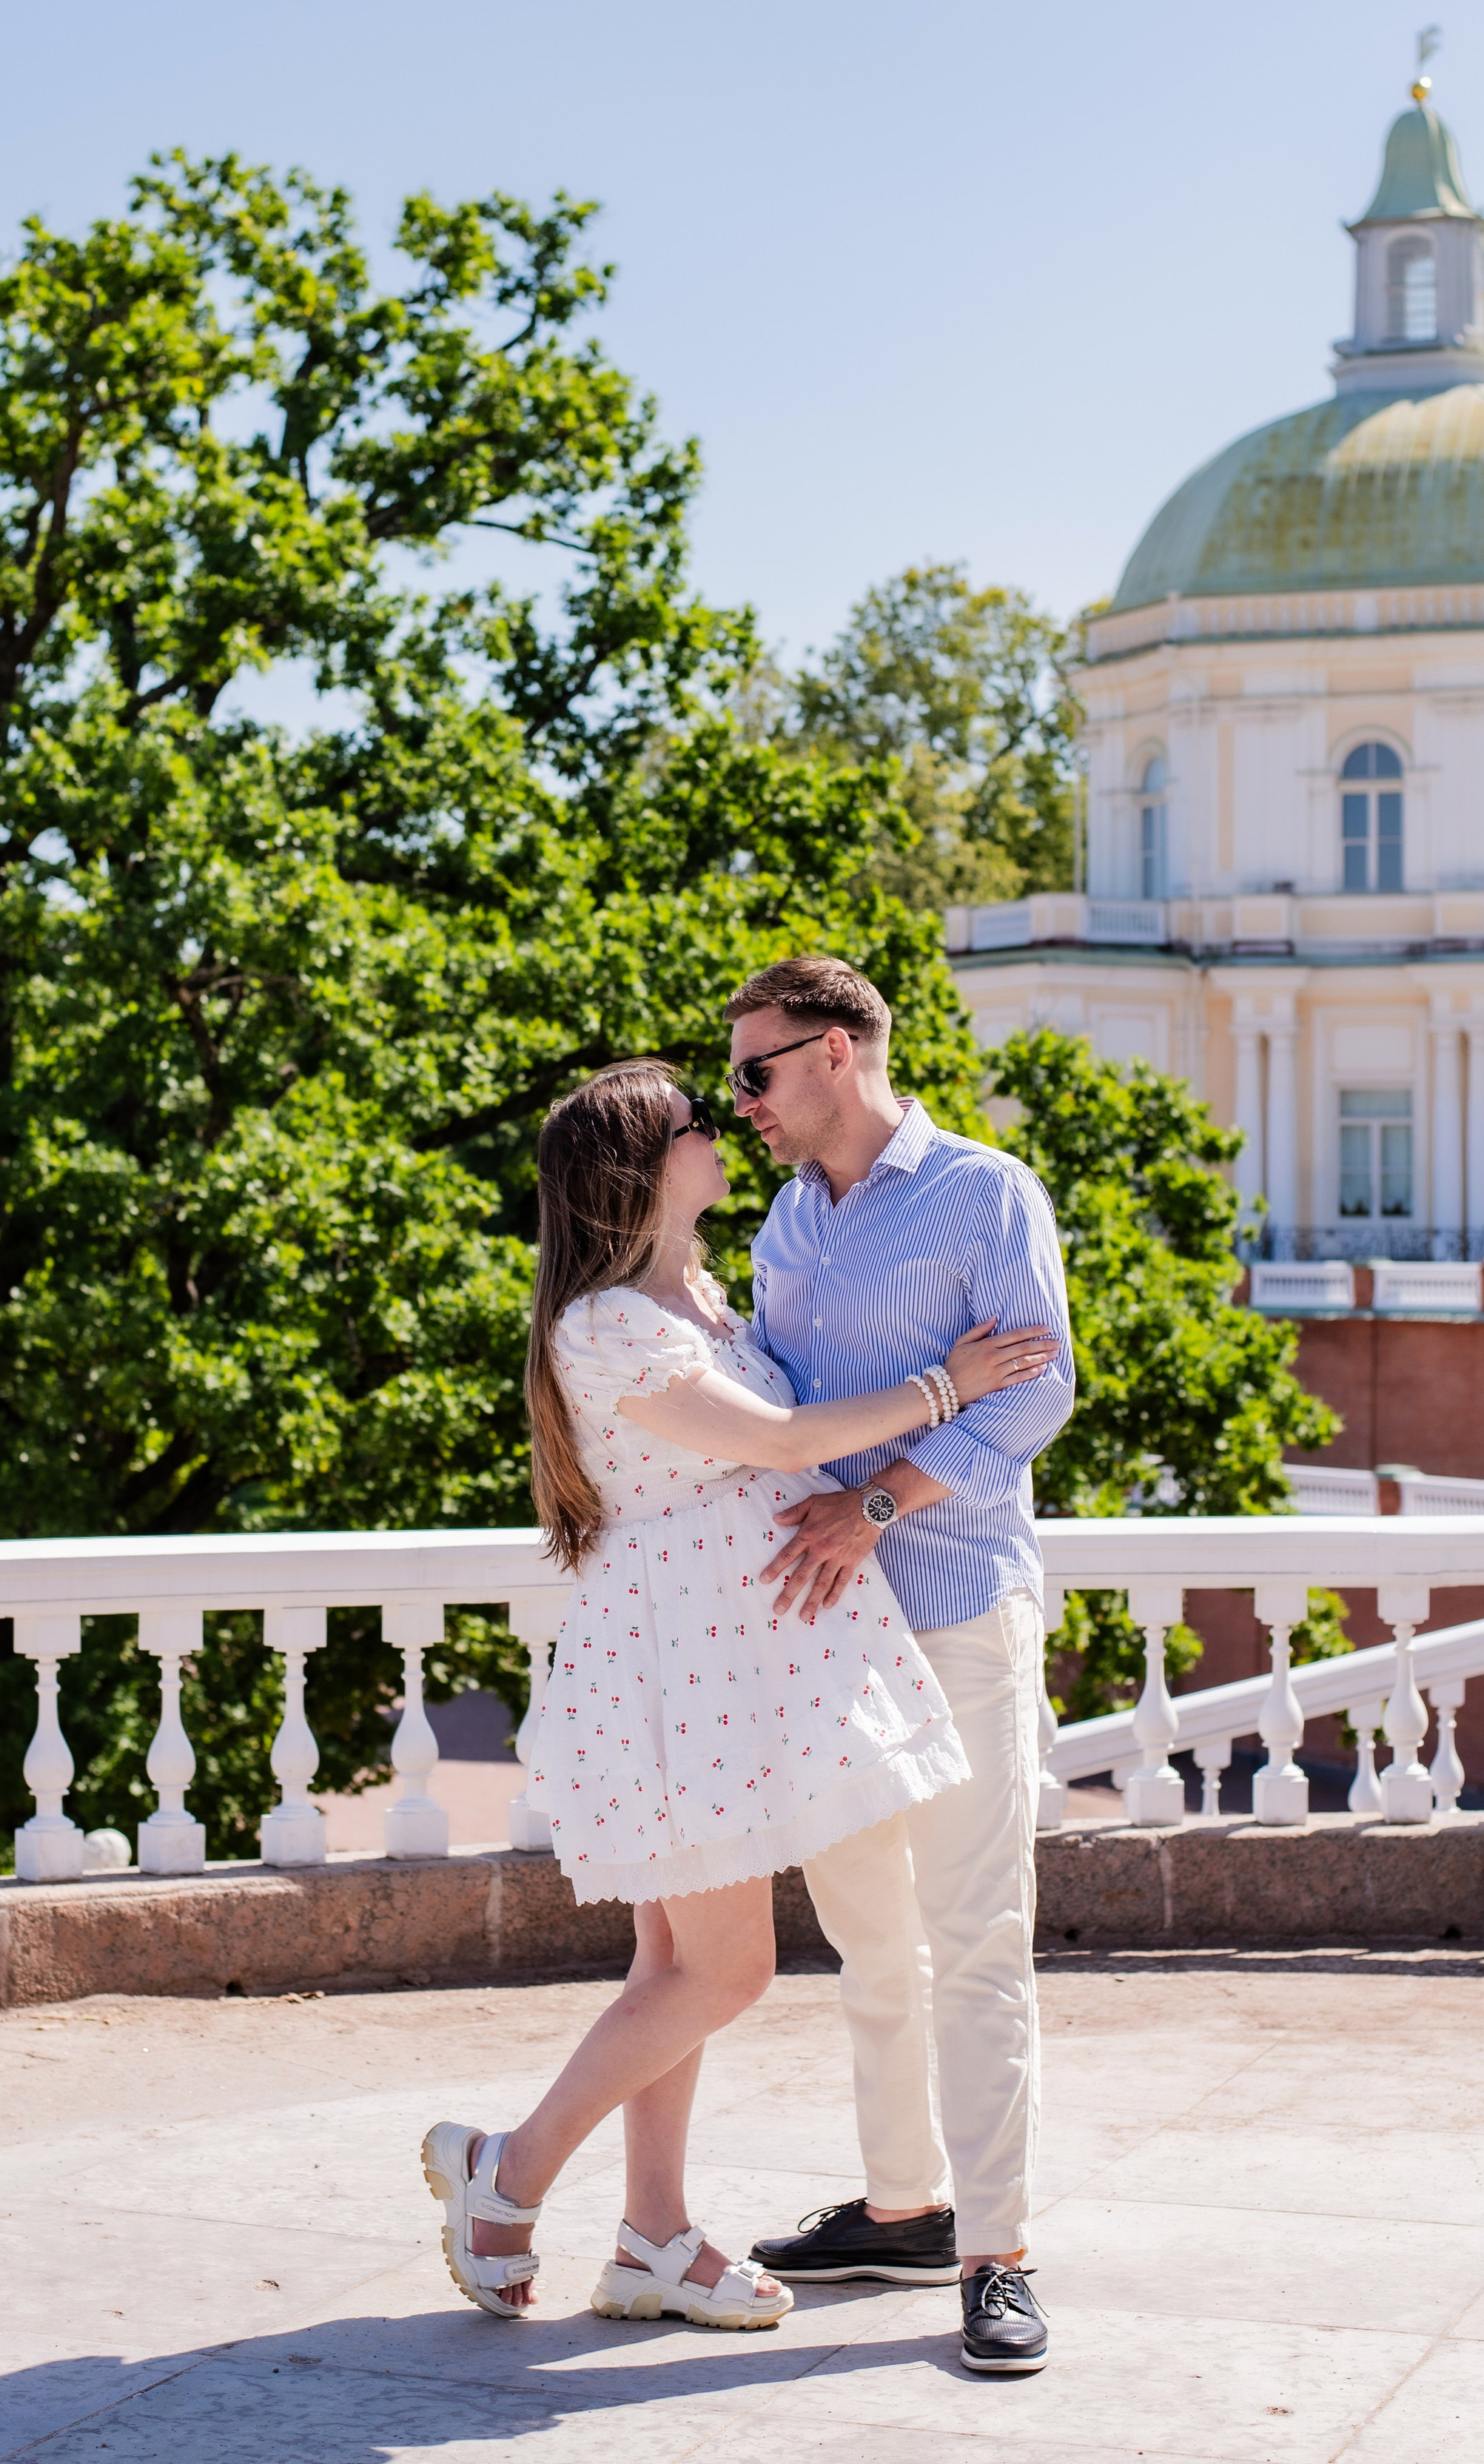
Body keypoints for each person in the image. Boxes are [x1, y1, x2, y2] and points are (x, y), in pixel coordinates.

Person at [421, 1057, 1058, 2332]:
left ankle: (654, 2235)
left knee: (673, 1965)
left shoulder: (703, 1291)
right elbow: (775, 1445)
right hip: (683, 1666)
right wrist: (951, 1388)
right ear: (642, 1170)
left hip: (724, 1658)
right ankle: (511, 2173)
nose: (727, 1128)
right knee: (724, 1971)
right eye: (697, 1123)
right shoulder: (607, 1323)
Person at [728, 955, 1074, 2383]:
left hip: (952, 1606)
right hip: (828, 1631)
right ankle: (903, 2209)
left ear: (836, 1054)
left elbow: (1042, 1385)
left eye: (756, 1070)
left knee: (978, 1933)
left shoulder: (984, 1192)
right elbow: (779, 1409)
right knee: (874, 1941)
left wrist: (876, 1506)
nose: (739, 1098)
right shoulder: (785, 1222)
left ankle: (998, 2252)